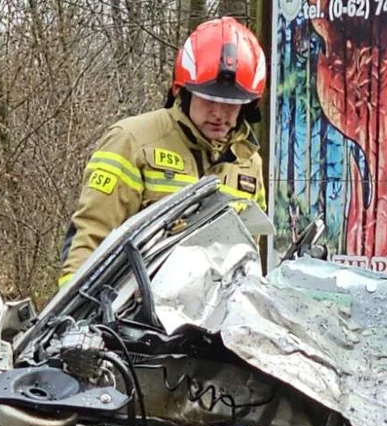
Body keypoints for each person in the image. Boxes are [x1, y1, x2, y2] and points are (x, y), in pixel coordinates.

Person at [58, 17, 268, 288]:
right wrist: (75, 316)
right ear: (184, 92)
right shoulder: (132, 141)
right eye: (209, 99)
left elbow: (247, 256)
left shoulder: (248, 162)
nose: (219, 113)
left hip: (213, 319)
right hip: (132, 316)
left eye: (231, 104)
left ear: (248, 106)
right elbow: (90, 239)